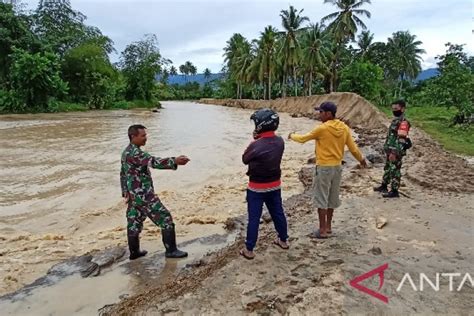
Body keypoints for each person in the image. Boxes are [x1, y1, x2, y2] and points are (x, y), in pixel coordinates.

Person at [288, 102, 367, 239]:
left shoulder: (322, 129)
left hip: (324, 167)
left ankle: (322, 230)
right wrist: (361, 160)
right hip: (337, 168)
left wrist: (291, 136)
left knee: (321, 199)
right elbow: (353, 148)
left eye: (321, 112)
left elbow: (303, 139)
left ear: (328, 114)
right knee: (332, 198)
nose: (319, 114)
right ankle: (328, 227)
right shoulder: (344, 128)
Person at [120, 124, 190, 260]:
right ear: (133, 136)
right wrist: (174, 161)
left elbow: (123, 173)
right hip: (144, 195)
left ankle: (134, 253)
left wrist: (125, 192)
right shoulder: (135, 153)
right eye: (143, 136)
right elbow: (154, 162)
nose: (146, 138)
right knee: (166, 219)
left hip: (134, 196)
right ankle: (171, 251)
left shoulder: (126, 152)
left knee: (134, 222)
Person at [240, 108, 289, 260]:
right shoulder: (280, 141)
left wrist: (255, 140)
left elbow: (245, 159)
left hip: (256, 188)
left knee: (254, 218)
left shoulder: (255, 145)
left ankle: (249, 249)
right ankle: (283, 240)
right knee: (278, 213)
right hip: (274, 185)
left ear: (260, 125)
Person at [374, 100, 411, 198]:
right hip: (390, 149)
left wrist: (394, 152)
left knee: (395, 170)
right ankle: (384, 185)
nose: (394, 111)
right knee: (388, 168)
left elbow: (401, 139)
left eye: (396, 109)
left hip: (396, 150)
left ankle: (394, 191)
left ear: (402, 109)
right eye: (393, 109)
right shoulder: (396, 120)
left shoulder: (403, 122)